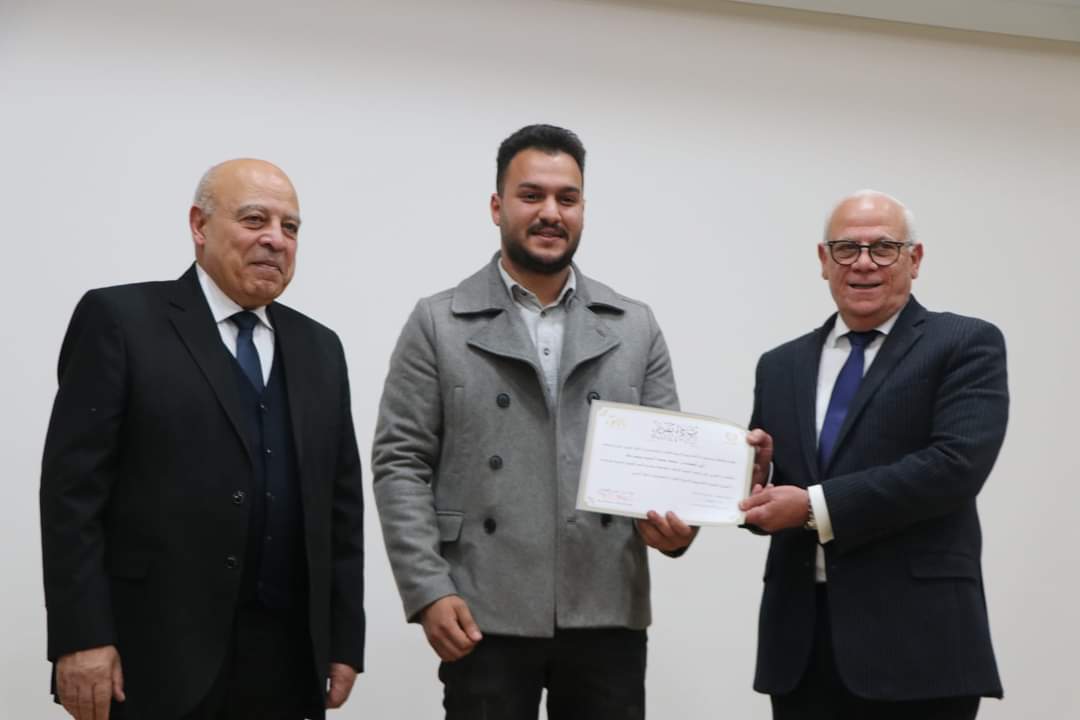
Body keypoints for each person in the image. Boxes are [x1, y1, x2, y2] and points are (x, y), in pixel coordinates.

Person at [372, 124, 692, 720]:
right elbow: (400, 464)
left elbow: (665, 464)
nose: (550, 212)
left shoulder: (634, 326)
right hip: (481, 607)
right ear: (497, 207)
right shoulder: (438, 323)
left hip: (606, 608)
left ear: (583, 209)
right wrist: (428, 589)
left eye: (567, 198)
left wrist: (684, 519)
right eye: (531, 195)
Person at [40, 159, 365, 720]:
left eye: (290, 227)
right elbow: (72, 496)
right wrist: (81, 636)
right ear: (199, 225)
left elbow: (340, 508)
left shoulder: (320, 347)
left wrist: (342, 639)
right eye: (255, 219)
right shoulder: (120, 320)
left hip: (286, 661)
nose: (275, 239)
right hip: (153, 656)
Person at [739, 190, 1008, 719]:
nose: (863, 263)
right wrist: (752, 483)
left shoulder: (964, 343)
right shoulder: (780, 365)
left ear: (915, 259)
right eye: (846, 249)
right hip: (802, 645)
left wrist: (814, 506)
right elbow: (779, 497)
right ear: (824, 261)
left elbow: (955, 467)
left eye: (884, 248)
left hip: (919, 644)